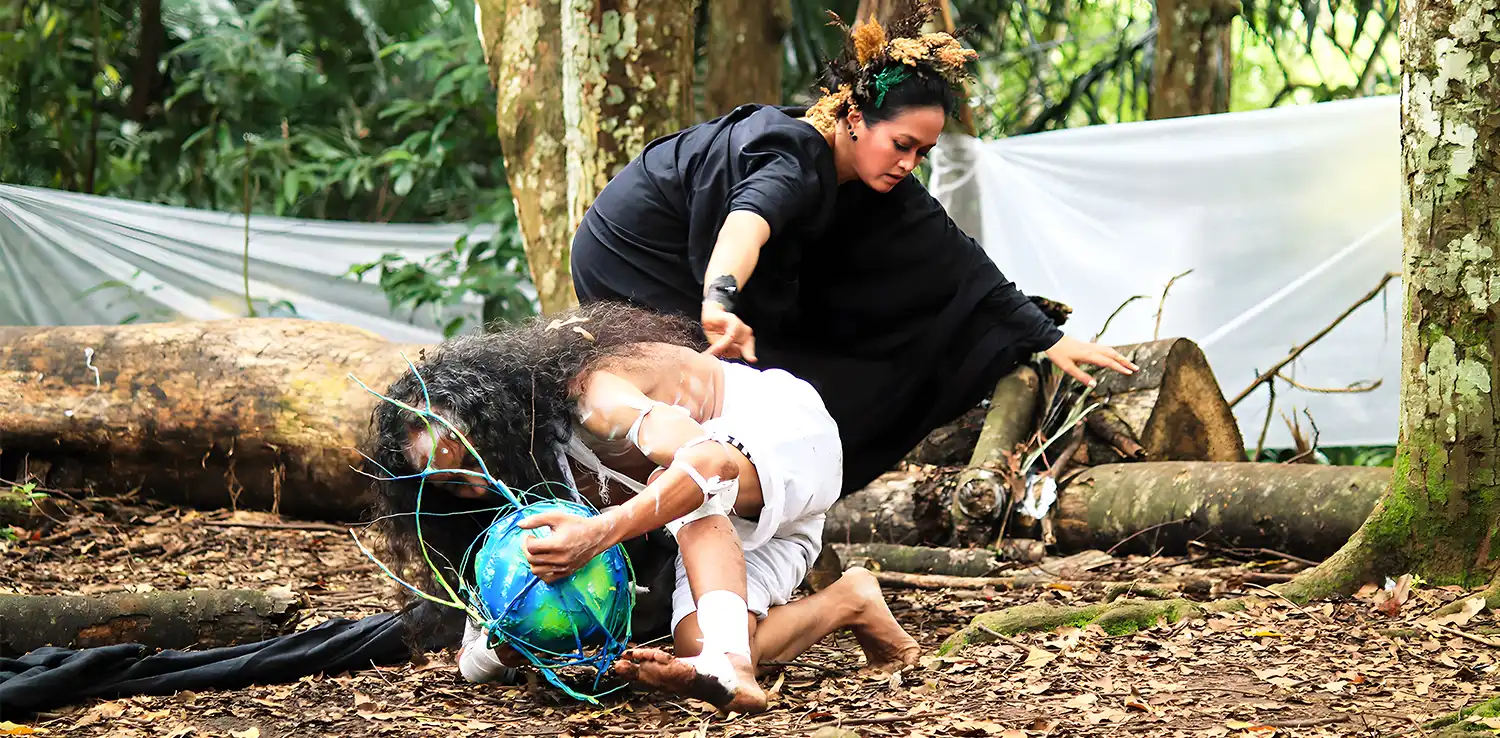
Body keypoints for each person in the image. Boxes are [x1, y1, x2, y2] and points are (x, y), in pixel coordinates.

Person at [569, 2, 1140, 493]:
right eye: (901, 144)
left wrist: (1047, 336)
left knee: (767, 378)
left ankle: (742, 527)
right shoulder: (790, 157)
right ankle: (670, 542)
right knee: (702, 389)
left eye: (923, 151)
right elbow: (748, 220)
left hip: (705, 271)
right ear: (852, 117)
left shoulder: (882, 184)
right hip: (634, 254)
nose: (909, 162)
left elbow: (957, 260)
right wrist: (720, 299)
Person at [368, 302, 921, 713]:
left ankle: (732, 667)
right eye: (447, 481)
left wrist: (597, 534)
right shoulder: (515, 488)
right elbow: (471, 660)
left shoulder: (589, 396)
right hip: (745, 526)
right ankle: (852, 601)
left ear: (497, 418)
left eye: (470, 454)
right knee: (691, 645)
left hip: (786, 444)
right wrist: (503, 643)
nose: (471, 481)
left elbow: (708, 464)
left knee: (679, 477)